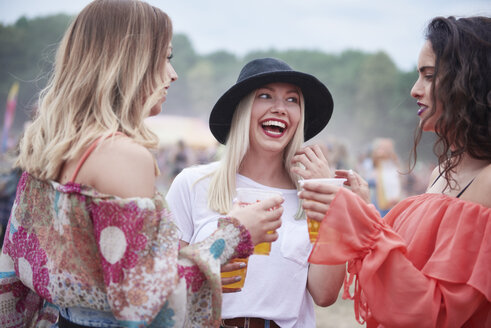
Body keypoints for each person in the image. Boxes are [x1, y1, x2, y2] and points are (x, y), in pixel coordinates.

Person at [0, 1, 282, 327]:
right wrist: (234, 235)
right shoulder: (123, 155)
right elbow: (145, 301)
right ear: (129, 60)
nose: (173, 75)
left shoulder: (49, 147)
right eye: (166, 58)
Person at [299, 16, 490, 327]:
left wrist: (356, 219)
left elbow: (433, 312)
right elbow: (406, 270)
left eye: (429, 76)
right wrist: (361, 207)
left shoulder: (487, 181)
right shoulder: (442, 171)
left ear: (472, 81)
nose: (415, 90)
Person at [166, 57, 346, 328]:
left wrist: (330, 201)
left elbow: (325, 294)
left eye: (292, 100)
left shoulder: (310, 196)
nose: (280, 108)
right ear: (243, 109)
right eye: (265, 96)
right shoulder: (193, 183)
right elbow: (162, 280)